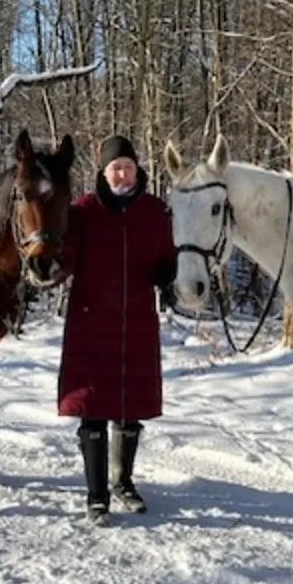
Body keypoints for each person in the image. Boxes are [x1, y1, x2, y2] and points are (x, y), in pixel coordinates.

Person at [56, 135, 176, 524]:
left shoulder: (156, 211)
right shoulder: (83, 212)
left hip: (137, 322)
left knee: (129, 409)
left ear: (137, 169)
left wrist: (171, 277)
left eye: (127, 166)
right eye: (114, 168)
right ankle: (97, 495)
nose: (122, 173)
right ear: (103, 174)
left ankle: (123, 483)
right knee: (92, 410)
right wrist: (50, 267)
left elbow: (168, 259)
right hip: (91, 324)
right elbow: (66, 259)